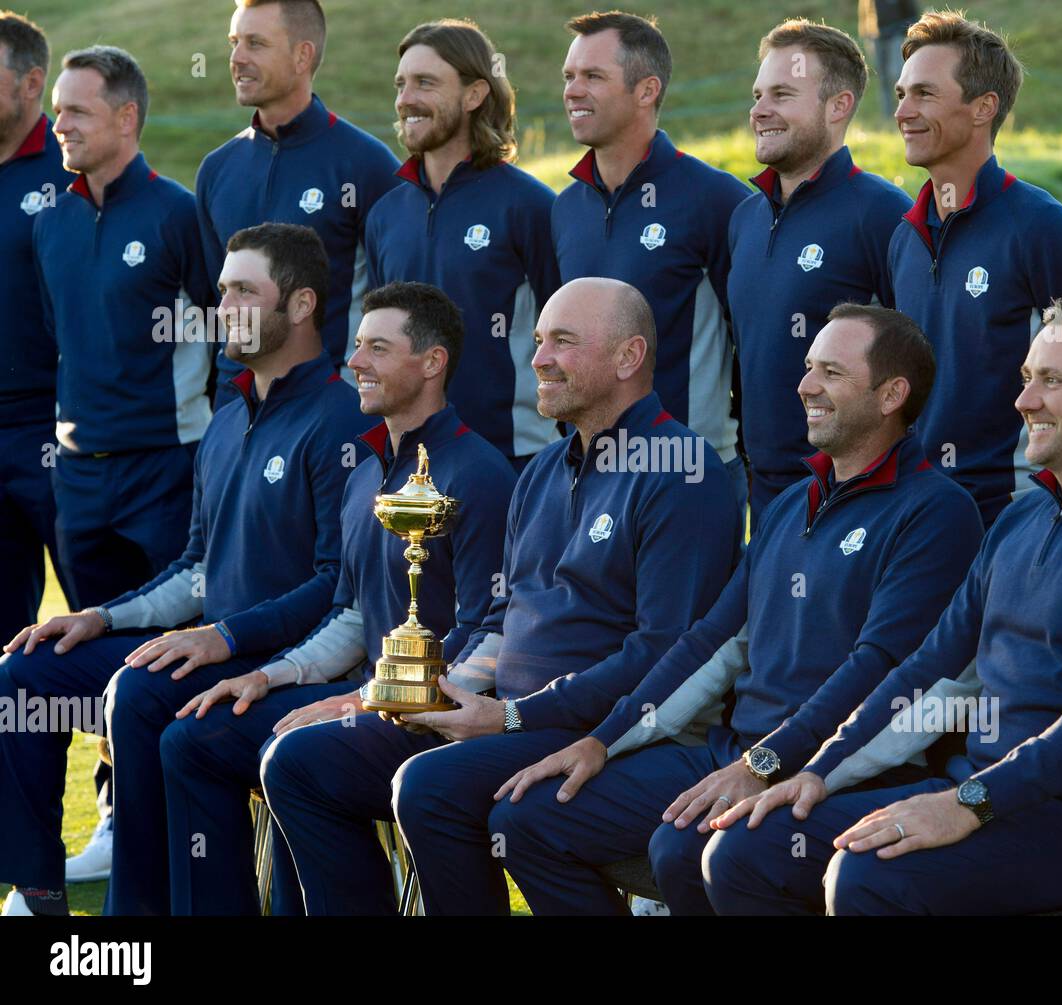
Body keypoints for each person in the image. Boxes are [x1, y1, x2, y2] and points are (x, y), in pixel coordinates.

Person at [704, 288, 1062, 916]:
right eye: (1026, 377)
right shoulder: (1021, 518)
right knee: (747, 847)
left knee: (869, 877)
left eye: (1052, 381)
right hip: (987, 795)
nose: (1024, 400)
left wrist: (969, 804)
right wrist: (820, 773)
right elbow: (932, 672)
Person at [261, 277, 741, 915]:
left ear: (628, 357)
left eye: (562, 342)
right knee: (301, 761)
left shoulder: (684, 470)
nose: (537, 357)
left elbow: (663, 652)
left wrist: (514, 718)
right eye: (539, 340)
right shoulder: (542, 470)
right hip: (499, 717)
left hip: (608, 731)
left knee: (429, 786)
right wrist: (414, 692)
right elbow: (499, 618)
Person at [491, 304, 983, 915]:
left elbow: (878, 666)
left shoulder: (937, 512)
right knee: (528, 816)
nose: (805, 386)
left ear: (891, 394)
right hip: (733, 752)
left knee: (683, 848)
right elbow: (713, 641)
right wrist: (602, 741)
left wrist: (768, 762)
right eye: (808, 368)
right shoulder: (789, 503)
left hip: (843, 767)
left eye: (831, 371)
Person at [0, 223, 368, 917]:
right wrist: (101, 616)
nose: (221, 306)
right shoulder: (229, 414)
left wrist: (223, 636)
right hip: (214, 642)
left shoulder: (342, 417)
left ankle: (135, 916)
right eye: (221, 288)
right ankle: (40, 892)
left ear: (299, 305)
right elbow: (196, 564)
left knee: (139, 692)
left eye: (242, 292)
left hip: (284, 657)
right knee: (29, 667)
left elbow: (335, 584)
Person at [164, 281, 516, 915]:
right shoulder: (366, 474)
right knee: (198, 735)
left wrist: (366, 700)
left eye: (377, 348)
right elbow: (352, 614)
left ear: (431, 363)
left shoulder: (480, 475)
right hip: (374, 700)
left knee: (298, 759)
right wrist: (270, 677)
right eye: (356, 345)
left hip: (449, 720)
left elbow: (492, 627)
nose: (354, 361)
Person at [889, 11, 1062, 528]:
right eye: (901, 94)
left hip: (1016, 519)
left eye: (924, 93)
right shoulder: (904, 237)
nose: (903, 110)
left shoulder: (1049, 232)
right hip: (915, 515)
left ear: (983, 108)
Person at [33, 45, 213, 613]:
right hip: (79, 477)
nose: (58, 125)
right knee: (87, 643)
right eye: (57, 110)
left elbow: (225, 332)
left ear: (126, 117)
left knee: (170, 651)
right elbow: (57, 335)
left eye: (77, 112)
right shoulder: (51, 223)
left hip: (166, 469)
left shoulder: (178, 214)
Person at [550, 11, 751, 518]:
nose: (574, 90)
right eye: (569, 77)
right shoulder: (566, 207)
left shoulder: (716, 200)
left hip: (688, 469)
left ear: (646, 91)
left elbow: (752, 337)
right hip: (588, 469)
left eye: (593, 77)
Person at [729, 19, 911, 529]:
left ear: (838, 106)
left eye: (782, 94)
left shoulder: (882, 215)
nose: (759, 110)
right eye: (758, 94)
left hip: (856, 496)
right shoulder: (744, 218)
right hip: (763, 497)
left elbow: (920, 361)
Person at [365, 20, 560, 472]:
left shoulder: (531, 207)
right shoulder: (384, 215)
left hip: (512, 458)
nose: (405, 99)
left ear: (474, 95)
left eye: (425, 83)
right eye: (401, 84)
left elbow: (568, 343)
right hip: (406, 462)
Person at [0, 13, 97, 883]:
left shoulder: (67, 177)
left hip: (63, 440)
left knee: (91, 639)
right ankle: (32, 871)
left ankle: (120, 809)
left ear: (30, 84)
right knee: (7, 662)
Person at [198, 0, 399, 406]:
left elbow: (392, 302)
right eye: (234, 42)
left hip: (331, 410)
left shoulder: (366, 165)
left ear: (302, 55)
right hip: (234, 409)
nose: (237, 58)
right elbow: (210, 302)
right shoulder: (217, 170)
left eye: (255, 43)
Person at [858, 1, 918, 119]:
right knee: (882, 77)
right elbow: (864, 14)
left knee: (896, 73)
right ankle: (887, 115)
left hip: (897, 36)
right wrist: (866, 36)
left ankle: (905, 108)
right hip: (876, 37)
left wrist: (907, 33)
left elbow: (912, 15)